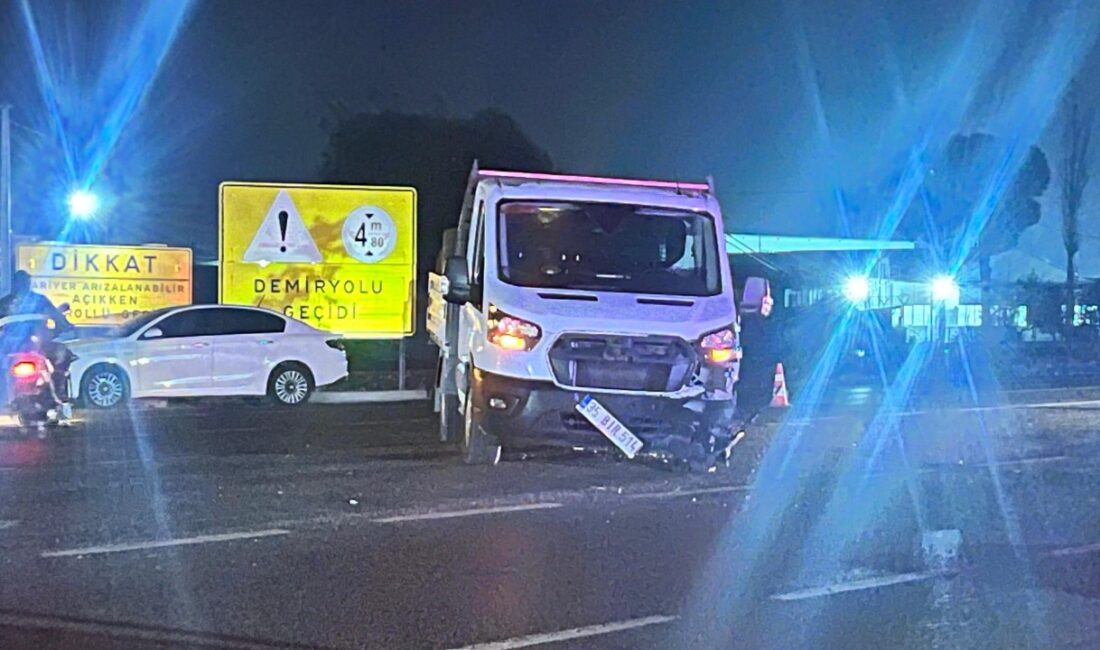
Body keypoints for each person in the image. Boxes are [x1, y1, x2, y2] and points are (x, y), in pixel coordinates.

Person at [0, 270, 74, 415]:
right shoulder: (39, 300)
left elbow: (57, 317)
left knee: (61, 358)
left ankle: (59, 397)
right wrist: (64, 327)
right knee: (63, 358)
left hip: (13, 348)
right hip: (36, 346)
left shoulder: (5, 302)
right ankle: (61, 397)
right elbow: (58, 319)